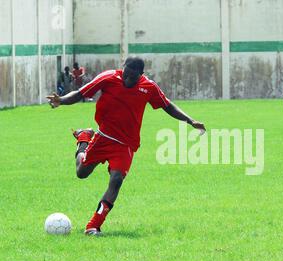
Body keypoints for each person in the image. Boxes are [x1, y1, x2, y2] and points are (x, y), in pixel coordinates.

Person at [47, 57, 206, 236]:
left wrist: (190, 120)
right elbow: (80, 93)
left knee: (116, 181)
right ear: (123, 69)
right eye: (126, 75)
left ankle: (93, 225)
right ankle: (84, 139)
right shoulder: (108, 78)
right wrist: (61, 100)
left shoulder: (149, 87)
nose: (127, 80)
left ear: (141, 74)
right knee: (81, 173)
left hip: (126, 144)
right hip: (104, 137)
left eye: (132, 77)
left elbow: (167, 105)